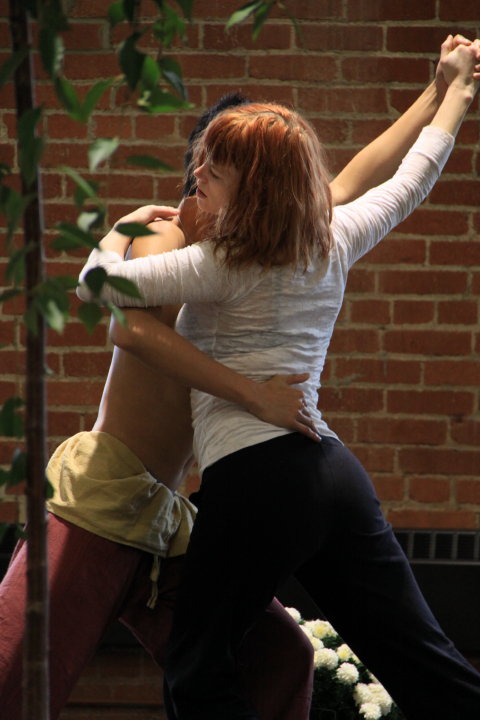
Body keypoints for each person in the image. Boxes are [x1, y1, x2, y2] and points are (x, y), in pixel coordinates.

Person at [0, 65, 454, 720]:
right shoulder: (173, 237)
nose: (201, 181)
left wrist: (439, 93)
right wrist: (122, 229)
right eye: (201, 172)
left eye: (217, 172)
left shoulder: (256, 250)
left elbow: (359, 177)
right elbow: (125, 325)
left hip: (173, 509)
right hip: (109, 496)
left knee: (276, 656)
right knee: (19, 671)